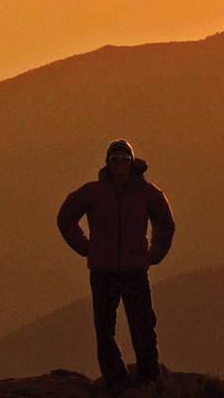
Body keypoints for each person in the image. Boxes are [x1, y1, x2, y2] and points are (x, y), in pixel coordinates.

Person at [56, 139, 176, 385]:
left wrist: (153, 255)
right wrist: (86, 248)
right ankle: (116, 379)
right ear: (107, 162)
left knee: (143, 325)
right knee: (105, 328)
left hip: (134, 270)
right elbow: (65, 218)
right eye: (115, 158)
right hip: (103, 270)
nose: (119, 163)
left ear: (132, 163)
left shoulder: (148, 193)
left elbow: (166, 225)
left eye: (124, 159)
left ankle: (149, 376)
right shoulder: (92, 192)